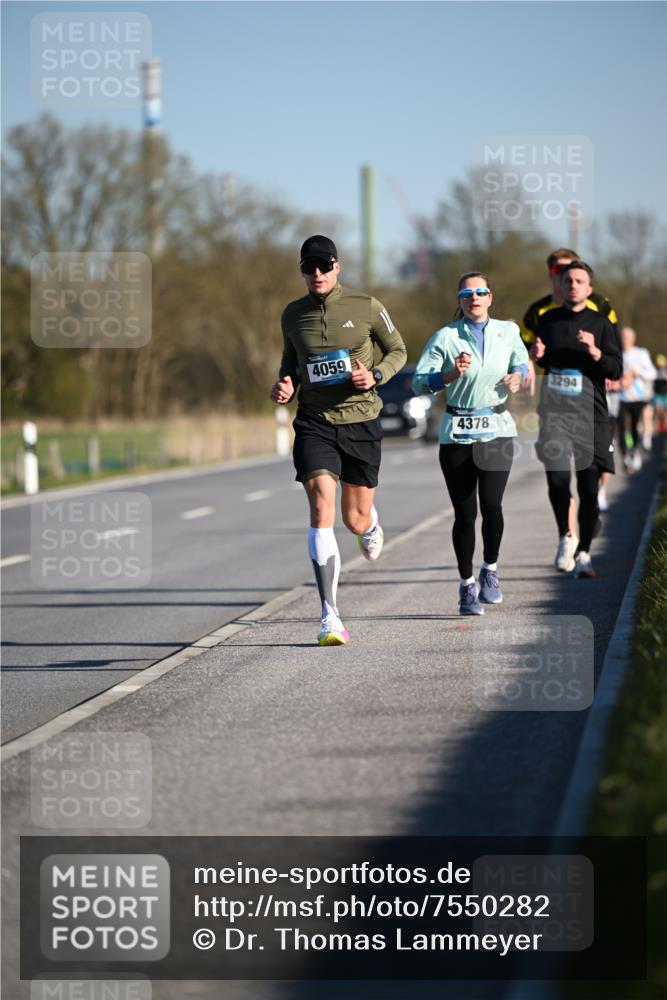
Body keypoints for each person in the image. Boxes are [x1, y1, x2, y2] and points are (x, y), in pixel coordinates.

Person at [270, 235, 407, 645]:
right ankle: (330, 615)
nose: (317, 274)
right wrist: (285, 385)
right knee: (319, 505)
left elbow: (397, 350)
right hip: (314, 422)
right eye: (309, 267)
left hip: (361, 421)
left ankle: (371, 523)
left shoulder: (366, 306)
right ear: (301, 270)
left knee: (355, 519)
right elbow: (290, 363)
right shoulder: (293, 315)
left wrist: (376, 375)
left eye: (324, 266)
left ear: (337, 266)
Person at [413, 272, 529, 615]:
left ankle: (490, 570)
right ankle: (466, 585)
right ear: (459, 300)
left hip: (496, 427)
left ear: (490, 297)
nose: (474, 298)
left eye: (481, 292)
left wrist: (518, 376)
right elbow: (419, 383)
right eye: (467, 294)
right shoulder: (445, 337)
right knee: (465, 513)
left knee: (492, 505)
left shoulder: (508, 331)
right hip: (457, 432)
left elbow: (521, 361)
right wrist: (450, 374)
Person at [522, 247, 619, 551]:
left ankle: (585, 552)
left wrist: (595, 352)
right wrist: (536, 357)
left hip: (590, 415)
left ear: (589, 288)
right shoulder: (545, 320)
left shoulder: (601, 320)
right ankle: (566, 533)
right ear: (560, 286)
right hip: (555, 415)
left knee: (589, 488)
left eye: (579, 281)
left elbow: (616, 367)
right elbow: (544, 360)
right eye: (568, 281)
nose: (573, 285)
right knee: (558, 481)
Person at [618, 326, 657, 472]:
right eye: (622, 337)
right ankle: (625, 455)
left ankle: (634, 450)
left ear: (633, 339)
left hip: (637, 397)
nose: (624, 340)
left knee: (634, 427)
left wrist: (637, 372)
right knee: (621, 427)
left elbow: (652, 374)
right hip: (620, 397)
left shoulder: (641, 353)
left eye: (627, 337)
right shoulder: (617, 354)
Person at [653, 353, 667, 435]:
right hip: (658, 394)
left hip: (665, 394)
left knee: (666, 413)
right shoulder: (654, 370)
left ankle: (664, 431)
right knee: (659, 412)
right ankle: (661, 428)